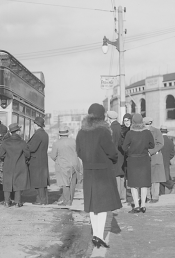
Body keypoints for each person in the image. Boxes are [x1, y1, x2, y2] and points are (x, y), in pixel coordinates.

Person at [76, 103, 121, 249]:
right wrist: (112, 160)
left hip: (89, 172)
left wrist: (88, 162)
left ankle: (95, 235)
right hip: (103, 172)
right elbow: (112, 152)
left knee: (92, 204)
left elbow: (79, 151)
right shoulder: (103, 131)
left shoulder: (81, 132)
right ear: (102, 116)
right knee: (102, 206)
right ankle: (99, 236)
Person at [123, 113, 155, 214]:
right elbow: (152, 145)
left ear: (133, 122)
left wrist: (130, 151)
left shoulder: (130, 133)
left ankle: (136, 206)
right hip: (144, 160)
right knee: (144, 184)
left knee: (133, 185)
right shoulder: (147, 132)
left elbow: (124, 148)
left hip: (132, 161)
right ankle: (143, 206)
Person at [0, 123, 30, 208]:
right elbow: (28, 154)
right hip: (20, 166)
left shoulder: (5, 142)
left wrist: (3, 157)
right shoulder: (22, 142)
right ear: (17, 131)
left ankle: (7, 202)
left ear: (11, 132)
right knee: (18, 183)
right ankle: (17, 202)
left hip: (8, 165)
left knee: (7, 183)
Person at [49, 126, 82, 206]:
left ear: (60, 134)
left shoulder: (56, 143)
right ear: (67, 133)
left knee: (65, 184)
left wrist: (58, 160)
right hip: (74, 164)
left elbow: (53, 156)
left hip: (63, 165)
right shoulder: (74, 141)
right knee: (72, 183)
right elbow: (79, 152)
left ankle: (66, 201)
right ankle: (70, 201)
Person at [27, 117, 50, 205]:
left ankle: (41, 200)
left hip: (36, 160)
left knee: (39, 181)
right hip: (42, 159)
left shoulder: (38, 134)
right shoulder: (45, 134)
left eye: (34, 124)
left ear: (36, 125)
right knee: (42, 181)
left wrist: (25, 146)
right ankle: (42, 200)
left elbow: (32, 148)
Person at [143, 117, 166, 203]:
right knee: (147, 178)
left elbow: (160, 144)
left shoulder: (157, 131)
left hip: (155, 157)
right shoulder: (142, 132)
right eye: (145, 124)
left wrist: (150, 151)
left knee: (155, 179)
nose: (147, 126)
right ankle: (148, 197)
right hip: (145, 158)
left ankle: (155, 197)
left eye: (149, 124)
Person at [106, 111, 126, 203]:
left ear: (109, 118)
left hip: (114, 154)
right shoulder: (121, 127)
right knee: (121, 174)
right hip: (121, 153)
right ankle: (122, 194)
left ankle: (117, 195)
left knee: (116, 174)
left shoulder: (111, 128)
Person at [159, 126, 175, 195]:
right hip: (166, 162)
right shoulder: (170, 141)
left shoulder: (159, 140)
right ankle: (161, 193)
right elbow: (173, 153)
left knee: (159, 178)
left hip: (159, 161)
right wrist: (167, 158)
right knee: (163, 177)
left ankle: (171, 185)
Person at [119, 113, 132, 204]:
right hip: (125, 156)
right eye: (125, 120)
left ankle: (133, 197)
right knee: (127, 178)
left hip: (133, 156)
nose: (126, 122)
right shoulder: (122, 130)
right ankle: (128, 197)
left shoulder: (134, 129)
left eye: (128, 120)